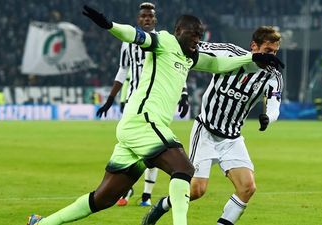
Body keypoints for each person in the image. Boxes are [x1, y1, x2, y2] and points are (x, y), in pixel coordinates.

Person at [26, 5, 282, 225]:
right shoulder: (164, 41)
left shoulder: (189, 57)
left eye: (200, 36)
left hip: (138, 130)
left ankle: (43, 222)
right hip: (143, 122)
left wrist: (254, 59)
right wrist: (109, 25)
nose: (198, 40)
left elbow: (217, 64)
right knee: (183, 168)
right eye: (194, 35)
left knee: (103, 198)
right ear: (180, 31)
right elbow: (135, 36)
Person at [142, 26, 285, 225]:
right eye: (268, 51)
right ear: (254, 46)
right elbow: (191, 48)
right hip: (206, 131)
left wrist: (268, 117)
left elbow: (275, 105)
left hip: (232, 137)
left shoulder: (273, 76)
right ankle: (163, 205)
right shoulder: (228, 52)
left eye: (275, 53)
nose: (272, 57)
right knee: (197, 190)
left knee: (247, 188)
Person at [95, 2, 186, 207]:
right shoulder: (128, 42)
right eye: (143, 16)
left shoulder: (165, 42)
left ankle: (146, 195)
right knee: (137, 146)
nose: (146, 18)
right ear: (138, 19)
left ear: (155, 19)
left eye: (150, 16)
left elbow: (178, 68)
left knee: (155, 146)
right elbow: (123, 71)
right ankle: (126, 185)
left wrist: (184, 94)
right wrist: (112, 99)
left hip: (156, 102)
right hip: (134, 101)